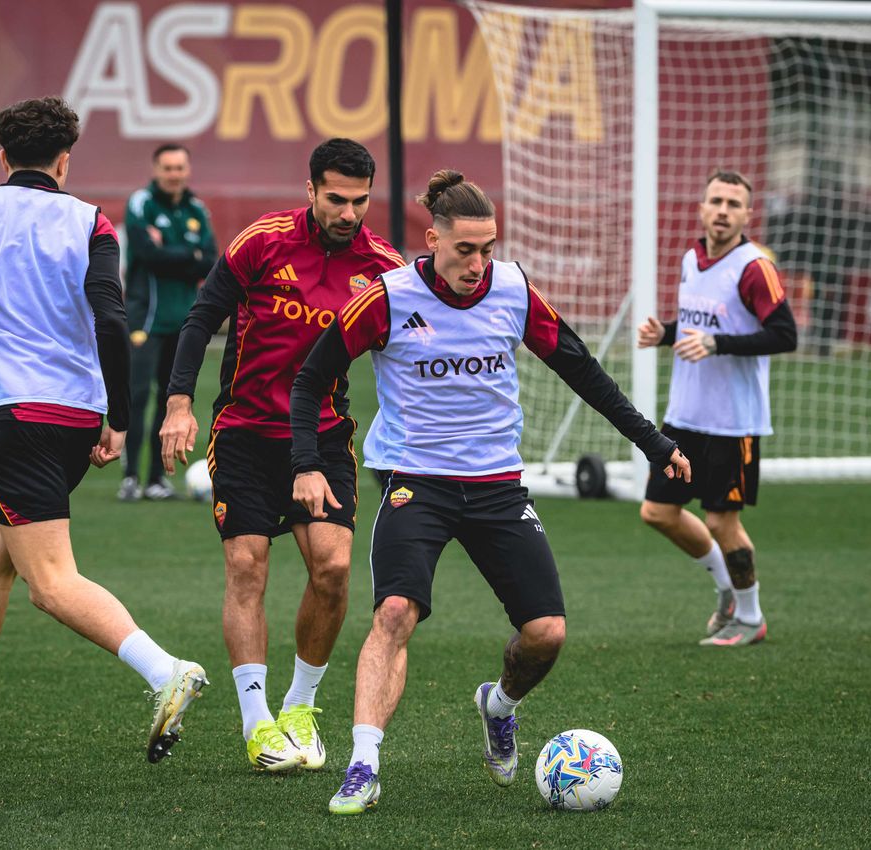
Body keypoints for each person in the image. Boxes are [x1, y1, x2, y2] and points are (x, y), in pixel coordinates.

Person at [290, 170, 689, 815]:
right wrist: (306, 464)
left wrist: (654, 443)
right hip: (414, 482)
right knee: (394, 614)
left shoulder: (513, 290)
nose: (478, 264)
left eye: (488, 248)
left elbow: (582, 370)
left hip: (498, 486)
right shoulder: (386, 298)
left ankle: (498, 704)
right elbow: (309, 383)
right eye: (465, 250)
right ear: (433, 240)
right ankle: (364, 764)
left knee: (547, 634)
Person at [0, 97, 207, 778]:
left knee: (50, 585)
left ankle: (167, 670)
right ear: (64, 160)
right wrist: (116, 418)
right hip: (76, 417)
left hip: (15, 419)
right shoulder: (92, 221)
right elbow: (111, 323)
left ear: (2, 157)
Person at [158, 139, 404, 773]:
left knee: (334, 570)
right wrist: (179, 405)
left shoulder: (382, 265)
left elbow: (410, 357)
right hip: (243, 430)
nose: (348, 213)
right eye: (336, 199)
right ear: (310, 190)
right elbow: (200, 318)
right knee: (248, 565)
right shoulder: (261, 243)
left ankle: (298, 706)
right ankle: (256, 723)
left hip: (323, 436)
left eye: (360, 201)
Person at [636, 169, 797, 647]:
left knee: (721, 522)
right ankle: (727, 588)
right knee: (657, 512)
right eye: (716, 201)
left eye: (733, 203)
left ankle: (750, 617)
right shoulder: (692, 259)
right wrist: (666, 333)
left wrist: (716, 343)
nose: (723, 211)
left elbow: (784, 334)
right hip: (685, 416)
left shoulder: (754, 268)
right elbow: (698, 324)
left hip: (733, 423)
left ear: (748, 214)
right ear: (702, 208)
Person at [118, 143, 217, 502]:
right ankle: (130, 477)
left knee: (170, 398)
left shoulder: (196, 209)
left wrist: (174, 254)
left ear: (187, 171)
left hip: (184, 320)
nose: (174, 174)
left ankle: (158, 479)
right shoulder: (141, 203)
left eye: (179, 168)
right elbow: (147, 254)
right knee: (138, 395)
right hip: (145, 317)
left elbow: (209, 261)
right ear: (156, 169)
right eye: (168, 168)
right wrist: (185, 254)